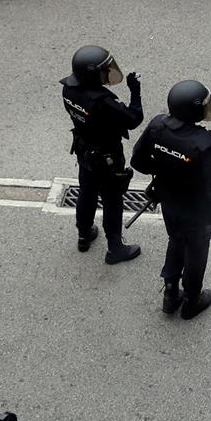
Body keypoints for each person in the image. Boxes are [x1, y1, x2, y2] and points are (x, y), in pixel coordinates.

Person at [130, 78, 211, 320]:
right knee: (197, 252)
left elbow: (138, 161)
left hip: (168, 202)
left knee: (176, 241)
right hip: (197, 210)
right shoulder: (202, 144)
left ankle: (170, 293)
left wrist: (165, 174)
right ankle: (191, 300)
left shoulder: (157, 127)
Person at [61, 45, 144, 264]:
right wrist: (135, 92)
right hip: (107, 157)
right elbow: (134, 119)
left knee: (86, 192)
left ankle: (84, 234)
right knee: (112, 200)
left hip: (84, 152)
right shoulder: (103, 101)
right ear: (90, 75)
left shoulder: (68, 89)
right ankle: (115, 248)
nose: (106, 73)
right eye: (102, 70)